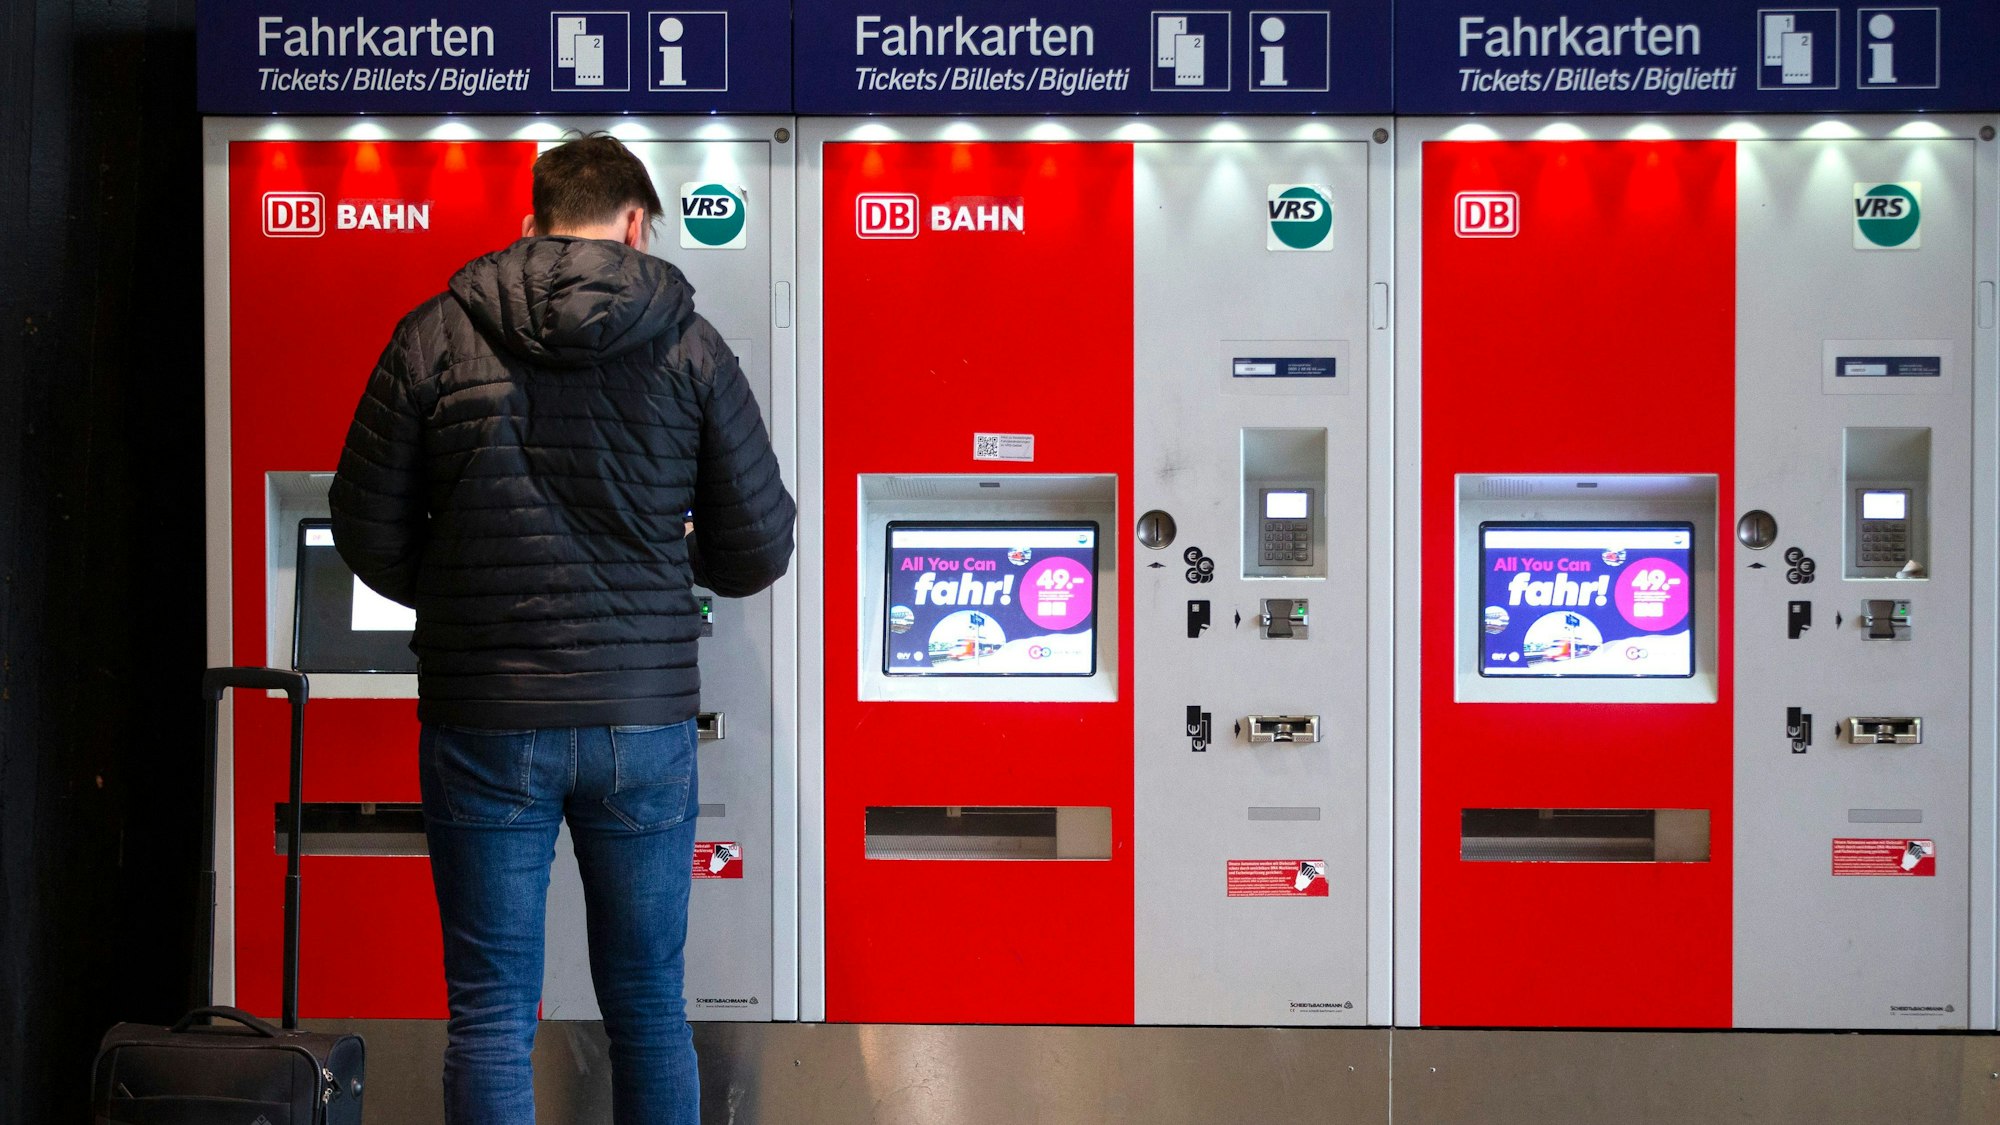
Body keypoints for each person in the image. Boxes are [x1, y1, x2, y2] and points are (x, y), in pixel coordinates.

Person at [329, 132, 794, 1125]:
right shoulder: (689, 345)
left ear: (531, 220)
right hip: (640, 718)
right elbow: (757, 545)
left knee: (492, 1018)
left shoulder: (433, 336)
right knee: (649, 1010)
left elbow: (362, 525)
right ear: (634, 224)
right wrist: (671, 574)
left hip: (486, 714)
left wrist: (456, 595)